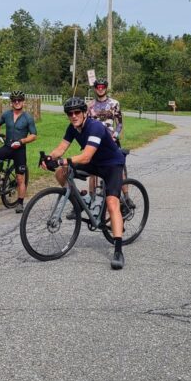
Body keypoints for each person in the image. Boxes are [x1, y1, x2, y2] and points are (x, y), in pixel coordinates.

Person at [42, 97, 128, 270]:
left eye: (77, 112)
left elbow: (86, 156)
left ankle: (118, 250)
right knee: (61, 173)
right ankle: (80, 200)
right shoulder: (72, 128)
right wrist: (50, 158)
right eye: (70, 114)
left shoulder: (95, 127)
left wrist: (61, 161)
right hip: (95, 163)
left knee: (112, 203)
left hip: (111, 164)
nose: (73, 116)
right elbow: (61, 149)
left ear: (84, 113)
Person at [0, 90, 37, 212]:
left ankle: (20, 203)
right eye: (14, 100)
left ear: (23, 102)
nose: (16, 102)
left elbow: (33, 135)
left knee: (20, 178)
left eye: (19, 100)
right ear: (11, 102)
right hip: (7, 147)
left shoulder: (28, 118)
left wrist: (21, 141)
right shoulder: (7, 114)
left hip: (19, 150)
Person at [86, 78, 124, 197]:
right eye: (98, 87)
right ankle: (91, 198)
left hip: (111, 139)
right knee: (92, 171)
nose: (100, 89)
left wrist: (115, 135)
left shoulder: (114, 103)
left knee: (119, 168)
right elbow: (87, 124)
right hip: (96, 141)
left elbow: (119, 123)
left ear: (106, 88)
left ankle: (126, 197)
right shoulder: (90, 105)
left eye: (103, 87)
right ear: (95, 89)